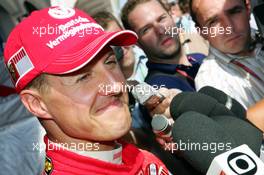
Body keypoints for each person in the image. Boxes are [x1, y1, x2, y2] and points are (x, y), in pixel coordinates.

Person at [3, 6, 170, 175]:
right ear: (37, 104)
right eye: (83, 77)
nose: (115, 85)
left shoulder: (139, 158)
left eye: (110, 62)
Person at [190, 0, 264, 108]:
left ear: (248, 8)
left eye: (234, 12)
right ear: (202, 32)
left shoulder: (260, 35)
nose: (229, 27)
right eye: (213, 22)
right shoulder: (211, 82)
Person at [121, 0, 205, 92]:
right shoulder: (159, 91)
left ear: (171, 16)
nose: (161, 31)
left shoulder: (200, 58)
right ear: (137, 43)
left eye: (161, 19)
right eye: (146, 29)